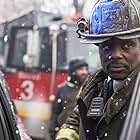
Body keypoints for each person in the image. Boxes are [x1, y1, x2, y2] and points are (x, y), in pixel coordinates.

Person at [55, 0, 140, 140]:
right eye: (106, 46)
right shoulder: (95, 87)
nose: (115, 54)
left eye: (126, 45)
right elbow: (77, 120)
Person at [49, 57, 89, 140]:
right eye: (81, 69)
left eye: (86, 69)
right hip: (64, 135)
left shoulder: (89, 89)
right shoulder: (62, 90)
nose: (85, 72)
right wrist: (52, 132)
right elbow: (55, 113)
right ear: (73, 72)